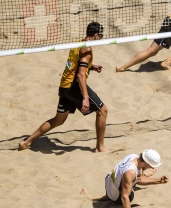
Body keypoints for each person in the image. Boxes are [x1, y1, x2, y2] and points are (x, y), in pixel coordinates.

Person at [19, 22, 108, 152]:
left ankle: (26, 142)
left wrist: (91, 66)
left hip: (64, 86)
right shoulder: (87, 50)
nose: (101, 38)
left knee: (58, 120)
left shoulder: (79, 42)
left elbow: (75, 63)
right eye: (100, 36)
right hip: (74, 86)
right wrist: (85, 97)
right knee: (102, 111)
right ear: (95, 35)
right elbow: (80, 75)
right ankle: (100, 147)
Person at [81, 149, 169, 208]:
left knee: (131, 183)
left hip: (110, 181)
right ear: (146, 162)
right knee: (131, 194)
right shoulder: (130, 172)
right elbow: (124, 197)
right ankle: (107, 196)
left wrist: (159, 180)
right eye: (152, 165)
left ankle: (92, 197)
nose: (153, 167)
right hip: (116, 193)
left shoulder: (133, 156)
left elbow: (139, 179)